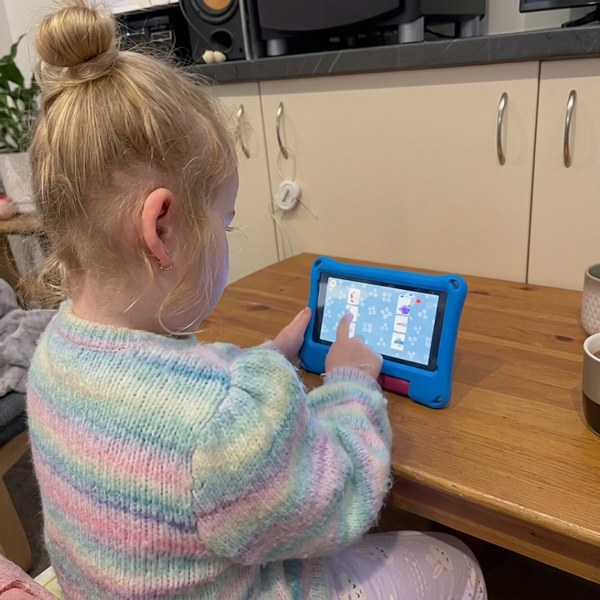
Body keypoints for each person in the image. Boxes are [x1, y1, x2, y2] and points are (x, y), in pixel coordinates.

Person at [26, 2, 487, 598]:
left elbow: (156, 411)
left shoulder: (51, 354)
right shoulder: (223, 424)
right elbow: (342, 496)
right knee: (454, 559)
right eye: (226, 221)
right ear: (162, 229)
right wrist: (351, 383)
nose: (227, 236)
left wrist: (264, 362)